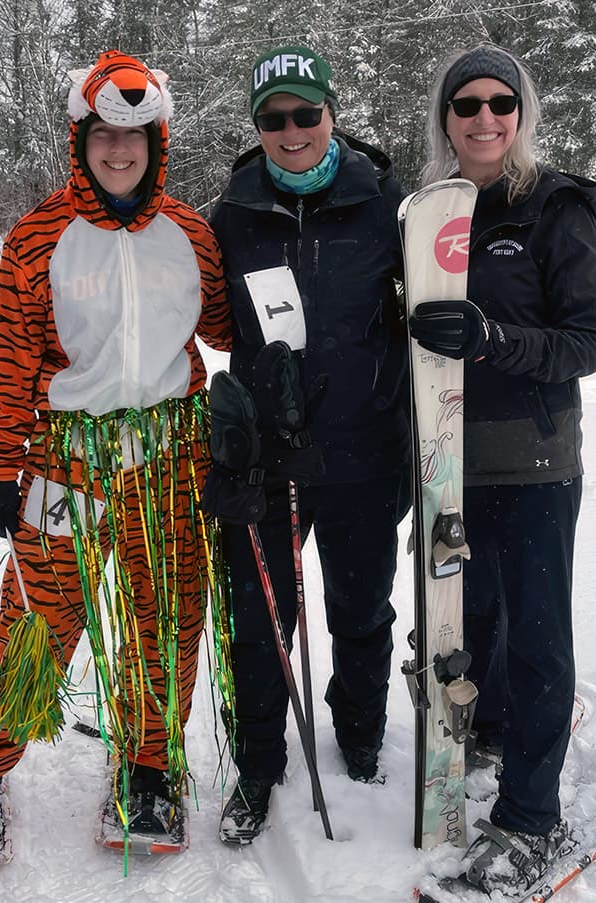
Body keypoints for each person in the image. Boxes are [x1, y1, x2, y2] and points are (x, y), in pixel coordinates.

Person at [0, 50, 233, 856]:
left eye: (136, 135)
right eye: (104, 134)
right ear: (80, 140)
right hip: (68, 458)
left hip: (172, 455)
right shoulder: (39, 237)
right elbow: (8, 363)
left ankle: (148, 767)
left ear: (158, 141)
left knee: (166, 616)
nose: (120, 150)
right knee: (40, 615)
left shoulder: (191, 233)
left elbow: (230, 327)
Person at [405, 44, 596, 895]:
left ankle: (531, 818)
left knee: (535, 636)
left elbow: (585, 343)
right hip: (448, 462)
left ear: (521, 113)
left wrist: (492, 338)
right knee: (467, 624)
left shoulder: (554, 207)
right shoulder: (427, 213)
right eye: (467, 104)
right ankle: (489, 735)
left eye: (501, 102)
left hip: (534, 462)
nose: (484, 118)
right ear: (445, 119)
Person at [206, 45, 410, 845]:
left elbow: (418, 311)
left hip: (364, 446)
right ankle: (259, 763)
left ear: (331, 112)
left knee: (360, 609)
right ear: (256, 127)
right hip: (268, 453)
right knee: (260, 618)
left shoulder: (382, 199)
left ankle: (360, 734)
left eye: (305, 114)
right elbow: (212, 321)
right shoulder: (232, 213)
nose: (291, 131)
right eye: (273, 119)